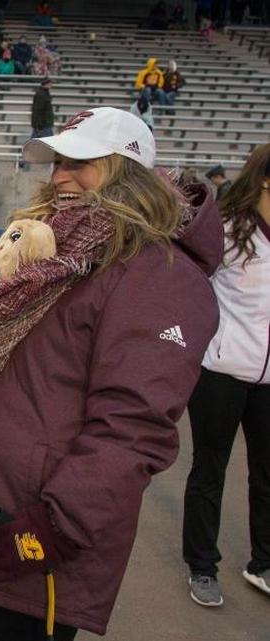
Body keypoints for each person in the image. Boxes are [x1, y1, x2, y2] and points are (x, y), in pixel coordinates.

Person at [0, 107, 222, 640]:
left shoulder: (161, 274)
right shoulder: (47, 249)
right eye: (57, 161)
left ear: (131, 173)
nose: (59, 176)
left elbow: (133, 429)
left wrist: (55, 526)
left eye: (80, 162)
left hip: (32, 539)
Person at [182, 142, 270, 607]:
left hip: (269, 381)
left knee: (267, 474)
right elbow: (193, 291)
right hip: (220, 371)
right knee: (209, 469)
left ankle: (264, 563)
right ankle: (202, 566)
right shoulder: (229, 230)